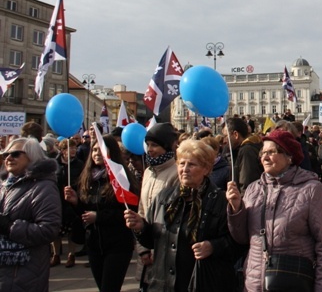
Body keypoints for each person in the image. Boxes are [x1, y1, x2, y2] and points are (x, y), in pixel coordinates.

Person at [226, 129, 322, 291]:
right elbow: (241, 238)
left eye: (271, 152)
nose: (264, 157)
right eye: (262, 152)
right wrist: (236, 208)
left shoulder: (312, 189)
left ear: (289, 157)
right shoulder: (252, 189)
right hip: (255, 283)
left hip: (293, 281)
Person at [124, 139, 240, 291]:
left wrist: (213, 247)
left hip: (205, 282)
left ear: (206, 169)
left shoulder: (220, 201)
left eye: (191, 164)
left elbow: (237, 243)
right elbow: (153, 241)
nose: (185, 169)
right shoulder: (164, 198)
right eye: (181, 163)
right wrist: (141, 227)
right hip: (165, 283)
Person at [64, 134, 139, 292]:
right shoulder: (87, 178)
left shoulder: (121, 178)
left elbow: (129, 212)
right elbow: (84, 212)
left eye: (101, 150)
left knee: (109, 288)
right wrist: (76, 202)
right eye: (94, 150)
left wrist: (99, 217)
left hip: (117, 244)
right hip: (94, 244)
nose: (97, 153)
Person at [0, 138, 61, 292]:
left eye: (15, 154)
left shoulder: (43, 187)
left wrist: (9, 227)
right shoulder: (4, 185)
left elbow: (49, 230)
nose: (8, 158)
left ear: (32, 156)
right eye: (6, 154)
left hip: (23, 272)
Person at [137, 122, 180, 290]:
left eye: (154, 145)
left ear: (167, 146)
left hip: (165, 247)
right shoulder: (148, 172)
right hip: (146, 244)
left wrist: (157, 249)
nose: (150, 149)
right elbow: (142, 210)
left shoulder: (177, 173)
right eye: (148, 145)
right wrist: (142, 248)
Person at [52, 138, 85, 268]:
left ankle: (71, 255)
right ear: (62, 150)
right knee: (56, 230)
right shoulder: (54, 164)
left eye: (74, 148)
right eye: (70, 148)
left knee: (71, 229)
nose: (73, 150)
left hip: (72, 201)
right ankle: (56, 254)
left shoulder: (79, 164)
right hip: (57, 200)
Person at [224, 118, 263, 192]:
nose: (224, 140)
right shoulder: (250, 147)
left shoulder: (246, 151)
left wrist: (240, 202)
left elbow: (247, 185)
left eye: (226, 136)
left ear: (236, 134)